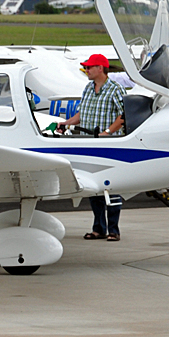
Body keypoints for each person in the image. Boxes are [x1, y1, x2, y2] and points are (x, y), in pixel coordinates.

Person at [56, 54, 126, 241]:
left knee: (111, 187)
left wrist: (107, 132)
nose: (86, 70)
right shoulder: (88, 88)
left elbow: (124, 115)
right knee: (94, 189)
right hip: (89, 144)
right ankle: (98, 228)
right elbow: (82, 113)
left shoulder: (115, 89)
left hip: (108, 145)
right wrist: (66, 123)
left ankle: (114, 230)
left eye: (89, 67)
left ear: (100, 68)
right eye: (86, 67)